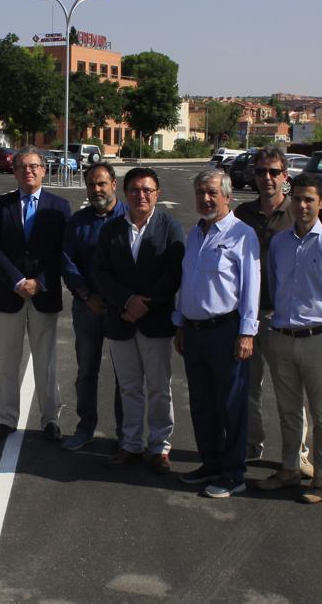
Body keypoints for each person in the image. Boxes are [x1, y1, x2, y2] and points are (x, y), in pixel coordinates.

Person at [256, 173, 322, 503]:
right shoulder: (280, 243)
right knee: (288, 411)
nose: (301, 205)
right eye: (297, 198)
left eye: (309, 199)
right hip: (282, 336)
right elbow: (274, 283)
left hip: (319, 340)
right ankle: (289, 468)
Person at [173, 168, 260, 498]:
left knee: (231, 405)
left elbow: (251, 286)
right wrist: (179, 322)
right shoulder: (194, 234)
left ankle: (233, 472)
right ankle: (210, 463)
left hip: (226, 331)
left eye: (211, 193)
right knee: (201, 403)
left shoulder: (242, 234)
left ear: (228, 196)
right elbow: (186, 283)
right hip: (194, 332)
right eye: (200, 193)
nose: (205, 199)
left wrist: (247, 333)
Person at [93, 167, 185, 474]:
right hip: (121, 320)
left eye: (147, 190)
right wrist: (126, 301)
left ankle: (160, 447)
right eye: (134, 190)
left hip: (155, 321)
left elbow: (173, 273)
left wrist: (144, 304)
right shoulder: (112, 229)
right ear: (125, 193)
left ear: (158, 193)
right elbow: (101, 273)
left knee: (159, 387)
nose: (140, 195)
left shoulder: (170, 227)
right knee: (129, 387)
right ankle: (130, 445)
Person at [0, 147, 72, 441]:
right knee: (8, 360)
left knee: (46, 362)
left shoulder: (59, 207)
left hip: (43, 294)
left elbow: (63, 251)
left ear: (44, 170)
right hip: (10, 294)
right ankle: (7, 419)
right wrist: (18, 280)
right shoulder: (0, 206)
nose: (28, 171)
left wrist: (39, 282)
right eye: (22, 167)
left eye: (34, 166)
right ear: (15, 172)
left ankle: (50, 420)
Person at [234, 145, 302, 465]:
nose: (267, 178)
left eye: (274, 172)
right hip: (249, 315)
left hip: (285, 317)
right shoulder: (242, 215)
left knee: (289, 391)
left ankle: (295, 454)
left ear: (285, 177)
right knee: (249, 387)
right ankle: (252, 443)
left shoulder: (296, 214)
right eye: (261, 172)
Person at [60, 162, 126, 451]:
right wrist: (87, 296)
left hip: (123, 309)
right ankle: (85, 427)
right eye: (90, 185)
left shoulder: (131, 217)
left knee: (126, 374)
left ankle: (127, 434)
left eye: (101, 183)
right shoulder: (78, 221)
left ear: (114, 184)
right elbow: (67, 261)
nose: (96, 189)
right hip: (88, 307)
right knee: (87, 371)